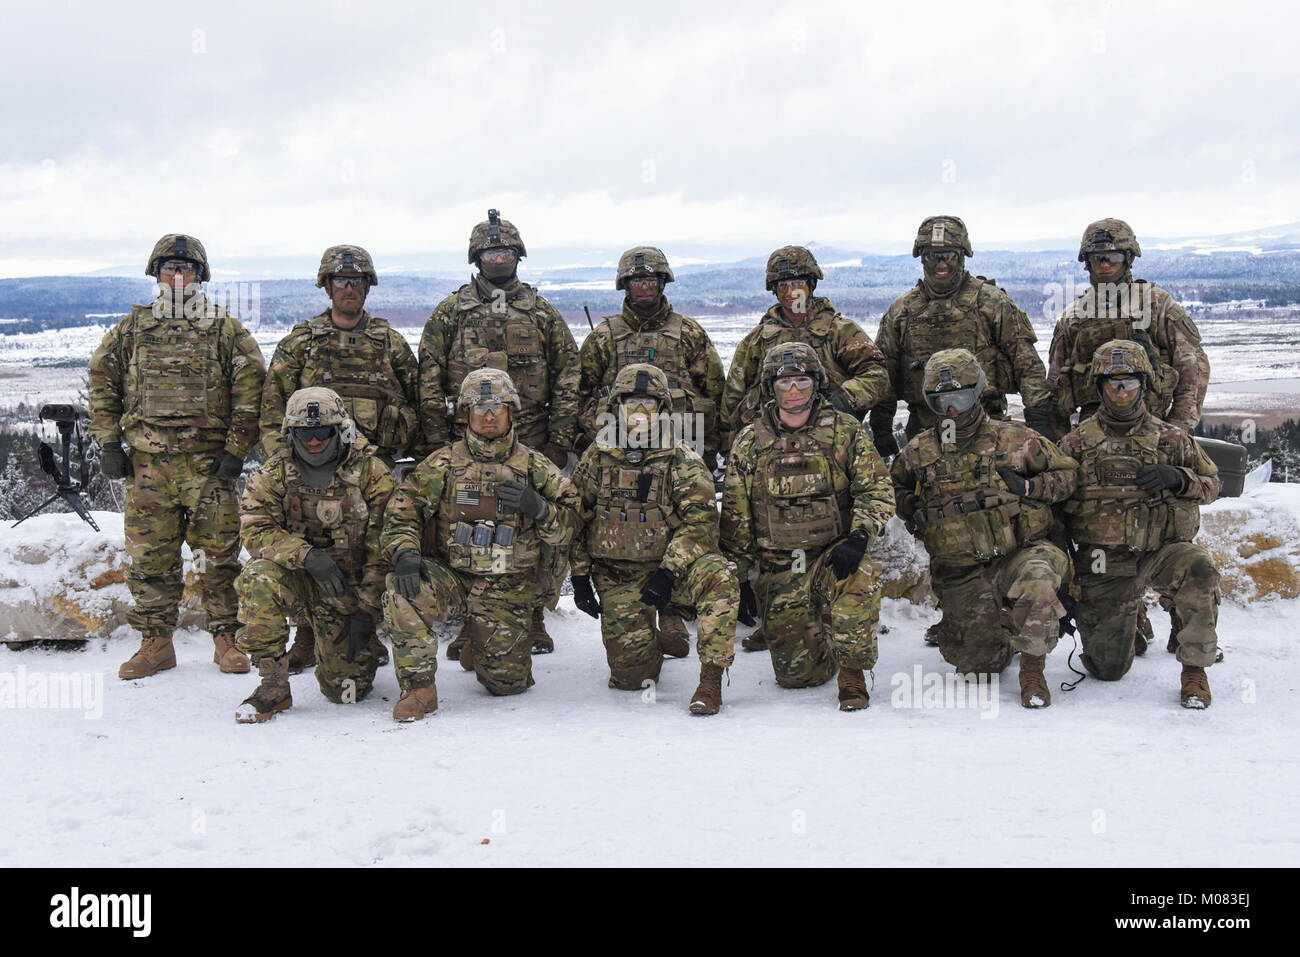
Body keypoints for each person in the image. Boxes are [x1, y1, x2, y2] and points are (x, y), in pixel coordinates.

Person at [89, 233, 266, 680]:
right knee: (151, 559)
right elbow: (102, 381)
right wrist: (109, 442)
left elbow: (251, 389)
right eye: (170, 268)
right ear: (157, 274)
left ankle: (227, 638)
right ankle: (156, 642)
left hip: (208, 469)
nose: (178, 275)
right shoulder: (131, 330)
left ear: (200, 277)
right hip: (149, 468)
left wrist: (236, 450)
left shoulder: (225, 329)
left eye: (187, 269)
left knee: (218, 558)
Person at [417, 210, 580, 656]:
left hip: (530, 440)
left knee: (535, 524)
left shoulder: (541, 312)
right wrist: (436, 440)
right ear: (477, 257)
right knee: (471, 522)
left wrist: (560, 440)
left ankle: (533, 613)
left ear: (518, 257)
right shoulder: (452, 311)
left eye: (505, 251)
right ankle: (474, 618)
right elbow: (429, 375)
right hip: (465, 442)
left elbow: (569, 374)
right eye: (490, 251)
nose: (498, 258)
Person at [381, 369, 581, 720]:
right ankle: (419, 689)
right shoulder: (444, 463)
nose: (488, 416)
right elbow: (403, 509)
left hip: (508, 583)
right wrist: (405, 550)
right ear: (466, 414)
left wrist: (540, 509)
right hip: (454, 577)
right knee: (402, 591)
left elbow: (572, 525)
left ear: (511, 412)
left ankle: (480, 638)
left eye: (497, 408)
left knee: (507, 684)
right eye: (479, 408)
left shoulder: (534, 465)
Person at [719, 245, 889, 653]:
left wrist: (845, 399)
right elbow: (732, 401)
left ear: (811, 285)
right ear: (773, 290)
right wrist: (746, 437)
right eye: (783, 284)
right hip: (773, 448)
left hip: (831, 448)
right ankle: (777, 611)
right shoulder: (758, 340)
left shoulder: (839, 331)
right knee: (769, 527)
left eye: (798, 282)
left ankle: (843, 609)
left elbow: (878, 373)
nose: (791, 290)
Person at [259, 244, 418, 671]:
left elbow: (421, 404)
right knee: (310, 549)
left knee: (372, 550)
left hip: (370, 474)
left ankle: (367, 627)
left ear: (368, 288)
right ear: (327, 287)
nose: (349, 289)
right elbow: (273, 408)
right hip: (308, 471)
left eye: (357, 281)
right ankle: (309, 633)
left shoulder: (391, 343)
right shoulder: (302, 343)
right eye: (341, 281)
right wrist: (283, 471)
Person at [890, 349, 1078, 707]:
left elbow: (1068, 476)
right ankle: (1003, 628)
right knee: (978, 668)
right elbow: (892, 487)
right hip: (961, 570)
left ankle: (1032, 670)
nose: (952, 409)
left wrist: (1029, 488)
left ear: (977, 393)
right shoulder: (919, 451)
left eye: (960, 397)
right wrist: (907, 503)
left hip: (1020, 554)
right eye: (941, 400)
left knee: (1037, 579)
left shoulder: (1015, 439)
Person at [720, 343, 894, 710]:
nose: (794, 390)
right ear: (771, 388)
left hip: (835, 557)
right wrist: (740, 580)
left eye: (802, 380)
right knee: (797, 677)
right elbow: (737, 516)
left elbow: (876, 488)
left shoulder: (845, 431)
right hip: (781, 564)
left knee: (859, 579)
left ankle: (852, 674)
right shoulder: (750, 442)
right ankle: (819, 636)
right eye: (784, 382)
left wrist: (860, 536)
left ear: (817, 383)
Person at [576, 245, 726, 658]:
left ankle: (675, 611)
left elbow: (717, 392)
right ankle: (638, 615)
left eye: (651, 279)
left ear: (662, 283)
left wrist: (712, 444)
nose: (645, 286)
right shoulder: (604, 337)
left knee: (684, 522)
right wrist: (608, 429)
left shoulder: (689, 333)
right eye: (637, 280)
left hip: (685, 449)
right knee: (634, 522)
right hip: (621, 457)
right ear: (625, 286)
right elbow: (578, 395)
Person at [1057, 340, 1221, 708]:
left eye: (1129, 382)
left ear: (1143, 385)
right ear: (1098, 387)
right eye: (1112, 383)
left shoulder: (1172, 439)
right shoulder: (1076, 444)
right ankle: (1129, 625)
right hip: (1103, 560)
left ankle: (1195, 671)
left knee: (1199, 568)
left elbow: (1212, 485)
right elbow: (1055, 503)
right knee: (1107, 669)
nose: (1120, 391)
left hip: (1160, 551)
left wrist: (1179, 478)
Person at [569, 363, 738, 714]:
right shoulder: (597, 458)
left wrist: (669, 570)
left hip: (672, 572)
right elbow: (575, 517)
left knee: (720, 576)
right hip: (620, 574)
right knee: (630, 678)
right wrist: (581, 575)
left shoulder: (681, 457)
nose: (640, 413)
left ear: (661, 410)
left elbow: (701, 522)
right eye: (632, 404)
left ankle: (711, 679)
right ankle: (655, 639)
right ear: (617, 408)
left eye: (648, 405)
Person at [234, 388, 394, 722]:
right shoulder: (274, 473)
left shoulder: (371, 472)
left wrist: (367, 610)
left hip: (348, 590)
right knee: (257, 576)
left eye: (323, 431)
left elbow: (386, 543)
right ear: (291, 433)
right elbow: (255, 529)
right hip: (298, 577)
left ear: (340, 430)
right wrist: (306, 556)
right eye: (304, 433)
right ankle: (272, 685)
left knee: (346, 692)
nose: (314, 441)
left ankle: (356, 645)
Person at [870, 214, 1053, 456]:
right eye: (932, 257)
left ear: (962, 257)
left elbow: (1027, 365)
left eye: (948, 256)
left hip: (988, 428)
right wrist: (881, 427)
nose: (941, 265)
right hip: (925, 432)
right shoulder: (902, 312)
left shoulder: (991, 303)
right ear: (922, 259)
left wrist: (1039, 418)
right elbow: (885, 374)